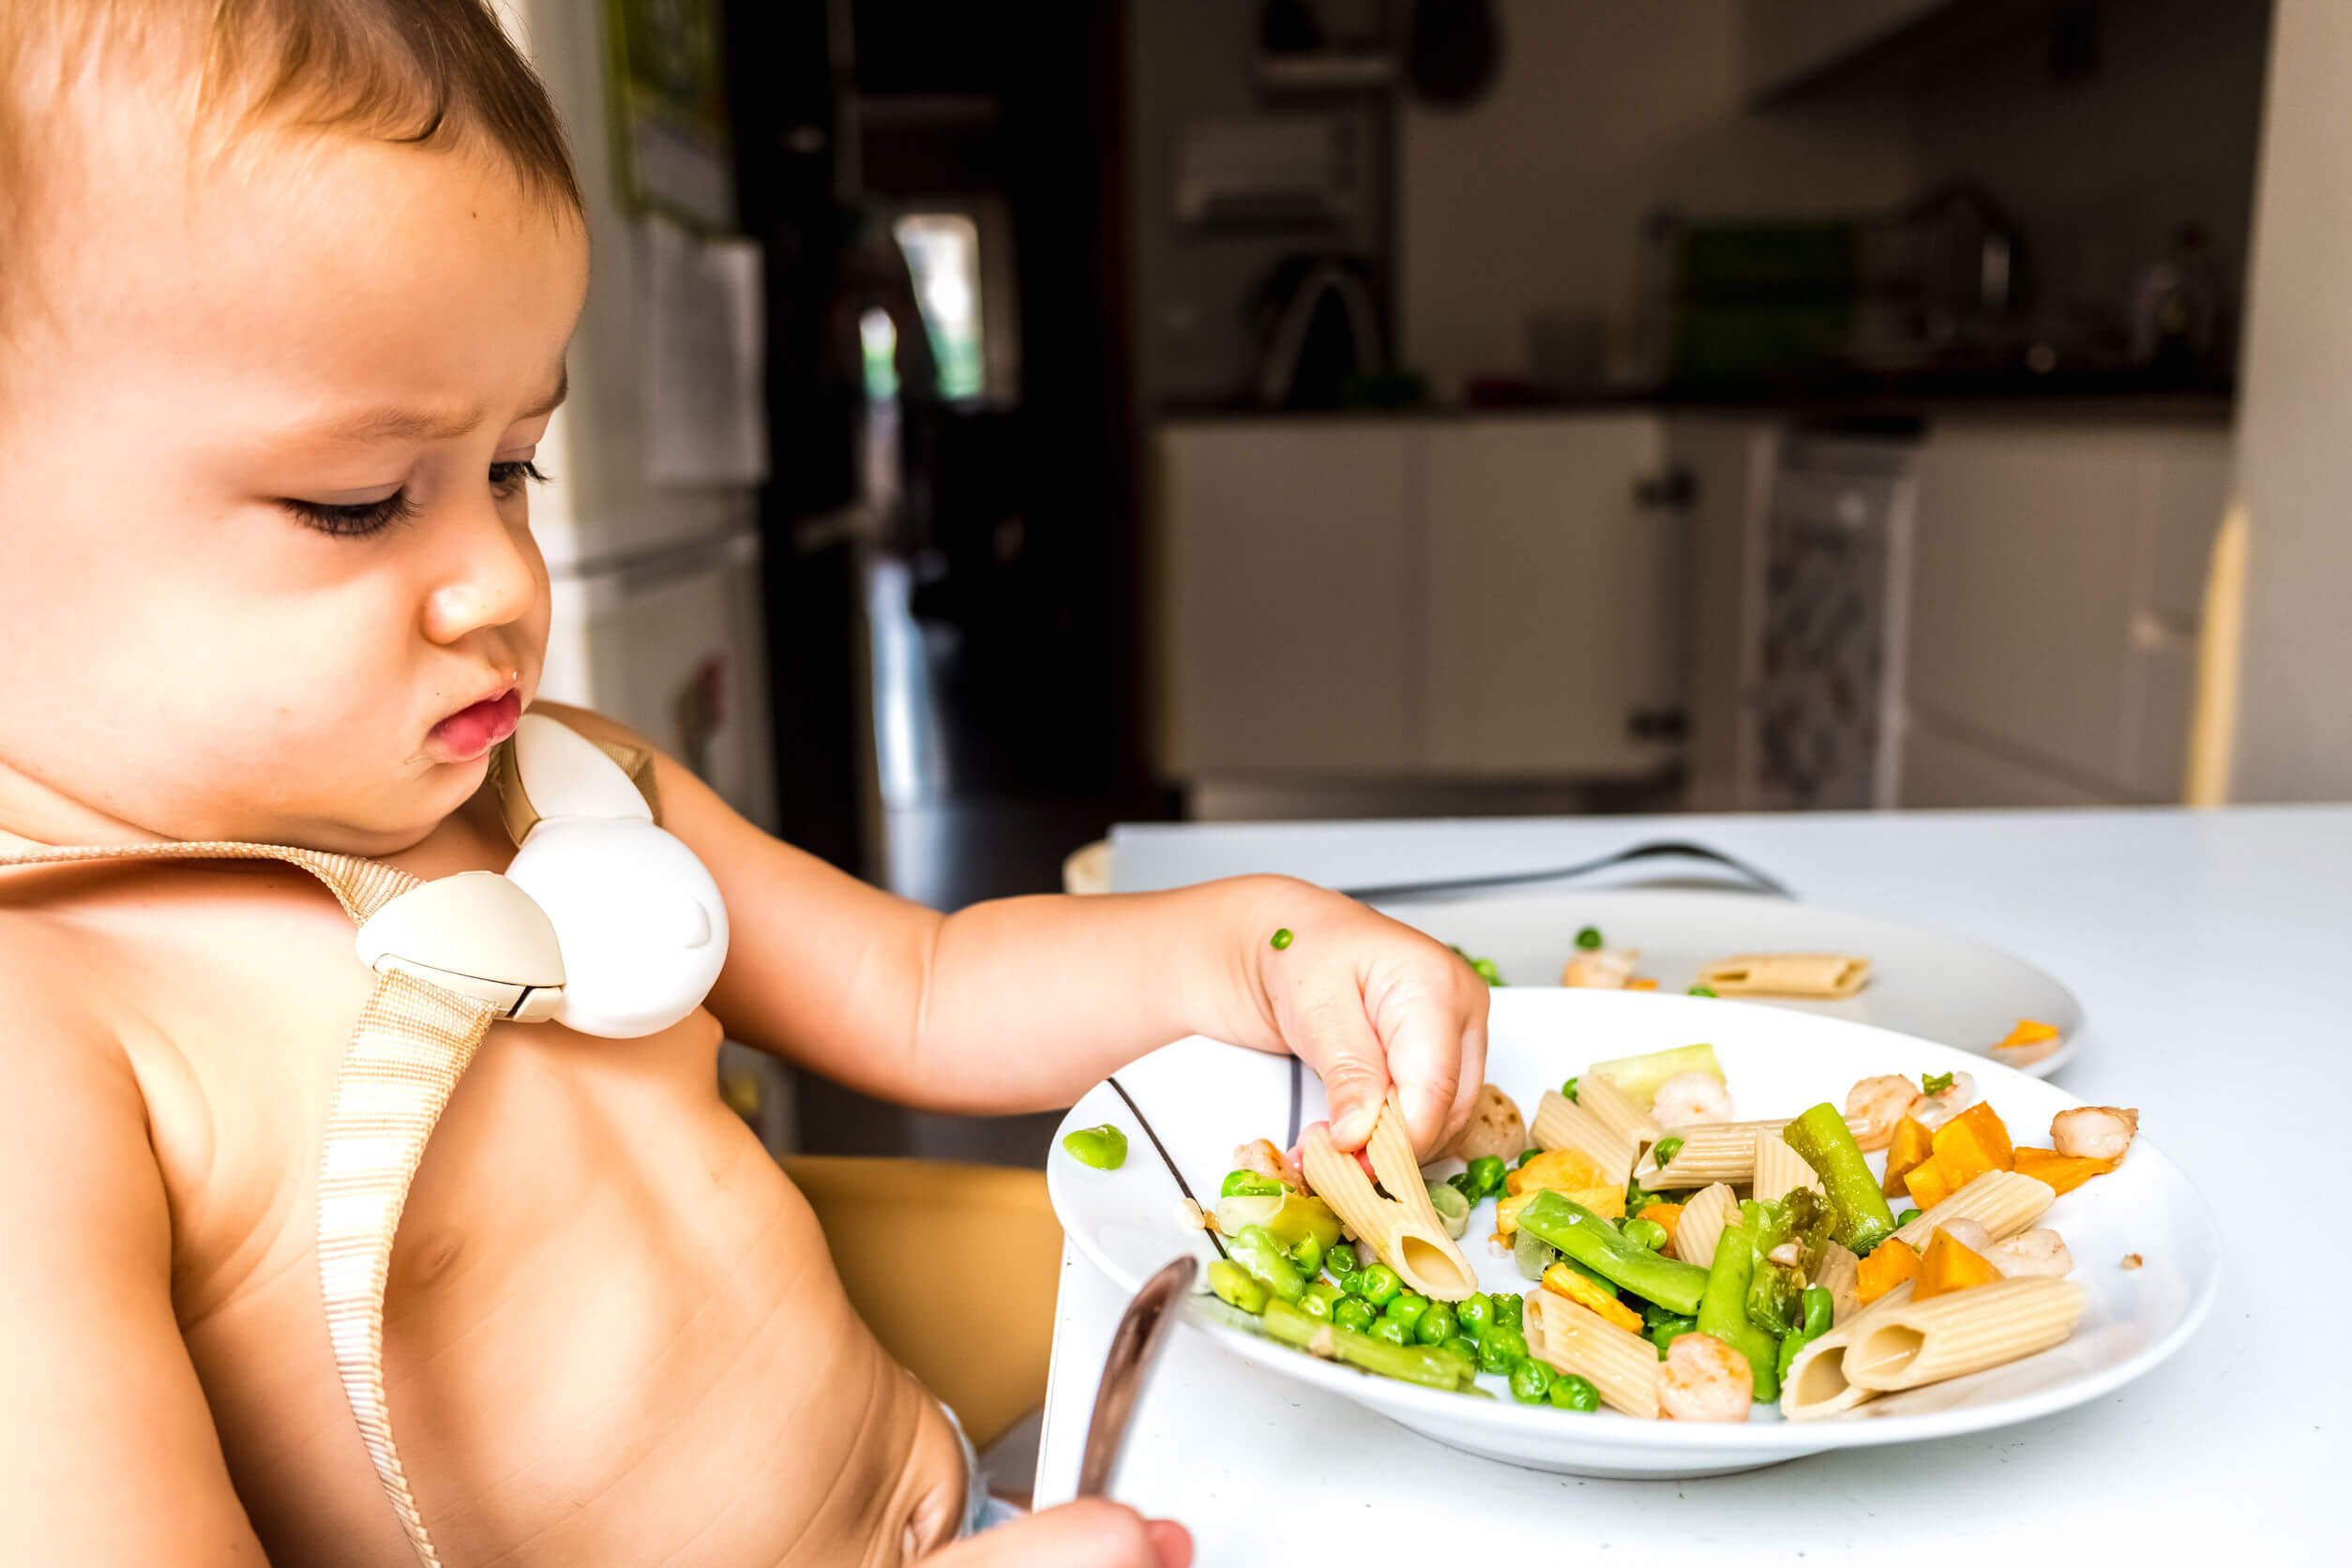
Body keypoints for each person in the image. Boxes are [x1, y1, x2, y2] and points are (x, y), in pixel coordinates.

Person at [0, 5, 1489, 1564]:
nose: (500, 578)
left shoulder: (556, 787)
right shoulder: (55, 1052)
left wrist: (1255, 948)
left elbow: (924, 989)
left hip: (981, 1504)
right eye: (359, 501)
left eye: (512, 468)